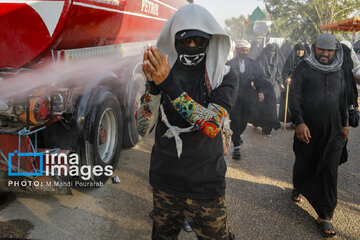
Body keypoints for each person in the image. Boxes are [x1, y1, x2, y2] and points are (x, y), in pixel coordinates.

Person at [135, 4, 238, 240]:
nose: (191, 47)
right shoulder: (163, 70)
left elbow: (211, 127)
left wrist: (167, 84)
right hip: (165, 181)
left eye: (198, 41)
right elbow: (142, 127)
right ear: (175, 41)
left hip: (205, 183)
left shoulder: (223, 74)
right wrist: (152, 88)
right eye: (185, 41)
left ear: (209, 41)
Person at [289, 33, 349, 238]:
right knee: (305, 162)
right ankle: (298, 186)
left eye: (329, 50)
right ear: (314, 48)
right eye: (321, 49)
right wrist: (299, 122)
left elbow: (343, 99)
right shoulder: (303, 68)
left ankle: (325, 215)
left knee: (330, 169)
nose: (324, 54)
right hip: (308, 127)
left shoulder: (340, 69)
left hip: (333, 129)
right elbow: (294, 98)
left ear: (335, 51)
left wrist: (345, 124)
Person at [227, 40, 265, 160]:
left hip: (248, 95)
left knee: (244, 120)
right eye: (242, 50)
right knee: (235, 119)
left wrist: (260, 91)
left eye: (246, 50)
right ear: (237, 50)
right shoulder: (229, 63)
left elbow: (259, 78)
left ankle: (237, 134)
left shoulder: (253, 63)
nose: (244, 52)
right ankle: (236, 147)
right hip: (234, 96)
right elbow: (225, 80)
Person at [279, 43, 307, 124]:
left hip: (303, 86)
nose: (300, 52)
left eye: (301, 50)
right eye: (298, 50)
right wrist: (286, 78)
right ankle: (293, 120)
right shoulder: (290, 59)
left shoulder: (307, 61)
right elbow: (285, 71)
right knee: (292, 103)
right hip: (292, 85)